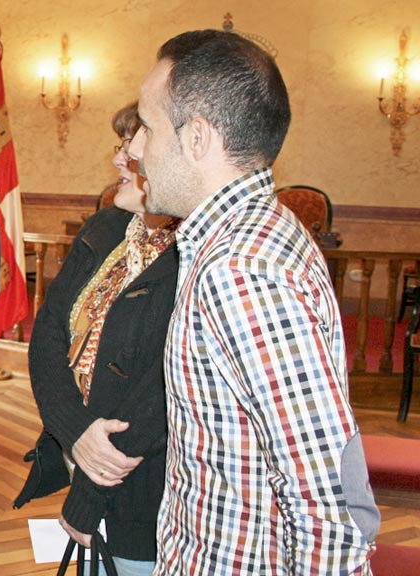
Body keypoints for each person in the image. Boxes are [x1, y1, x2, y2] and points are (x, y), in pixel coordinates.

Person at [127, 30, 379, 574]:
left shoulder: (242, 269)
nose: (132, 149)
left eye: (146, 127)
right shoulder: (250, 234)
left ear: (196, 138)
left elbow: (327, 501)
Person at [26, 102, 179, 576]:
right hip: (82, 459)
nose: (119, 159)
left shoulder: (197, 253)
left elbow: (160, 393)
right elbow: (49, 334)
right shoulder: (106, 227)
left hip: (152, 489)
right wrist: (75, 432)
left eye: (135, 146)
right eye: (121, 145)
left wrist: (90, 492)